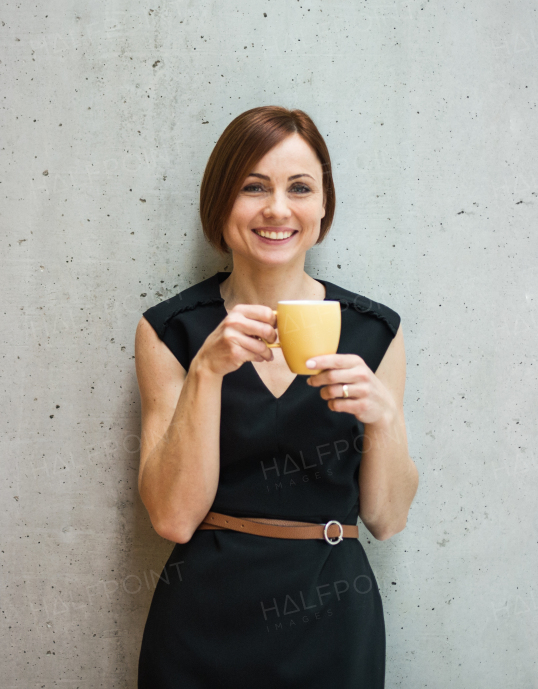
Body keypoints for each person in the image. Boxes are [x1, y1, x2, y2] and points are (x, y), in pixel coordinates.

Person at [135, 106, 419, 688]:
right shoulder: (173, 331)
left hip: (334, 621)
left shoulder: (375, 333)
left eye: (299, 188)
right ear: (221, 202)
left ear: (322, 208)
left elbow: (387, 519)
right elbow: (171, 516)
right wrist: (207, 374)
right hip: (201, 623)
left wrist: (385, 420)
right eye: (253, 187)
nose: (277, 209)